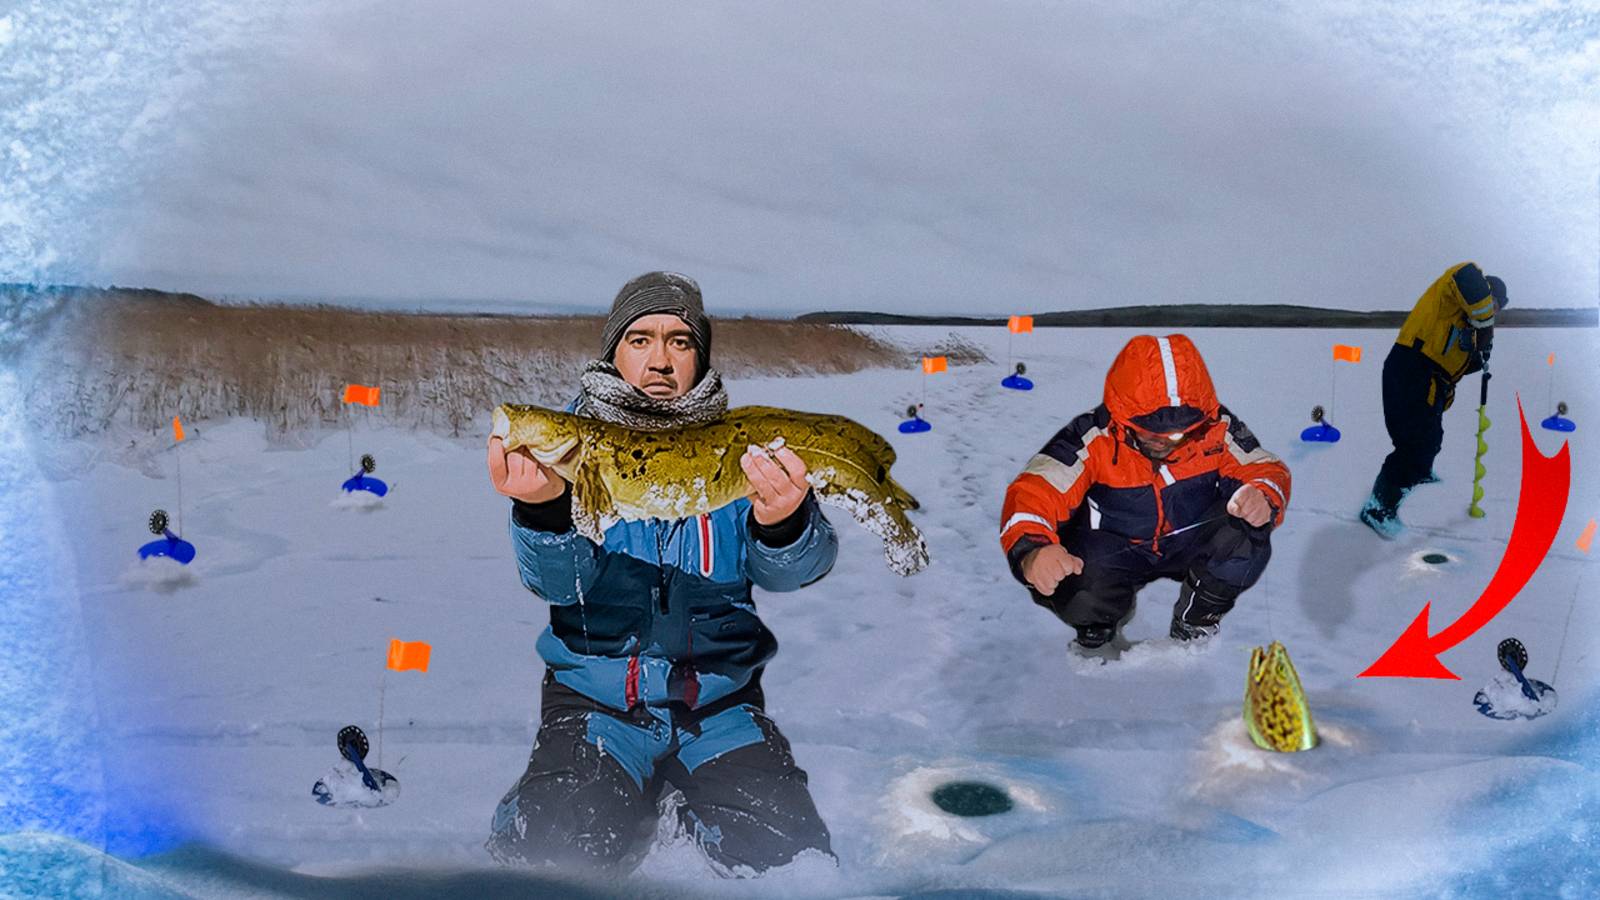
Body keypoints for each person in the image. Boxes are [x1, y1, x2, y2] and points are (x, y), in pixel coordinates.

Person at [484, 272, 835, 876]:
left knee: (793, 865)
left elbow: (799, 568)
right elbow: (558, 584)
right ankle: (551, 800)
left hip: (720, 709)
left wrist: (783, 523)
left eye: (680, 341)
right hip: (596, 705)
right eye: (641, 338)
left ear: (700, 357)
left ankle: (684, 801)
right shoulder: (567, 447)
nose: (661, 360)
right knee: (553, 863)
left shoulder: (739, 444)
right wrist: (542, 510)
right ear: (613, 350)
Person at [999, 334, 1291, 650]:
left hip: (1188, 543)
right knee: (1073, 587)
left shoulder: (1216, 426)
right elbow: (1035, 489)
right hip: (1119, 548)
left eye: (1178, 431)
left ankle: (1198, 617)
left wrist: (1263, 494)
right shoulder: (1093, 435)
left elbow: (1263, 467)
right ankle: (1099, 621)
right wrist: (1032, 550)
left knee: (1247, 530)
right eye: (1147, 427)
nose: (1164, 440)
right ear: (1121, 413)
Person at [1360, 262, 1505, 538]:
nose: (1493, 311)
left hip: (1431, 382)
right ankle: (1378, 509)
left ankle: (1418, 475)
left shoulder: (1467, 323)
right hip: (1411, 368)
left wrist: (1480, 353)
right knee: (1415, 443)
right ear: (1486, 294)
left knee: (1431, 438)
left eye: (1497, 309)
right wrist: (1485, 323)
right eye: (1493, 303)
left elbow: (1459, 361)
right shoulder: (1455, 288)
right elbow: (1467, 277)